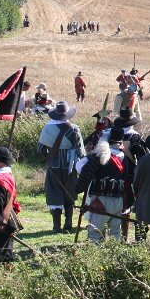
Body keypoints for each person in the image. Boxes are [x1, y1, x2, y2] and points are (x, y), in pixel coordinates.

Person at [38, 101, 86, 233]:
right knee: (70, 193)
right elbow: (81, 151)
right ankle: (68, 223)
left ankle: (56, 226)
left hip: (53, 166)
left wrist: (50, 158)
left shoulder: (47, 128)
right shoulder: (74, 129)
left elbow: (40, 149)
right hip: (70, 166)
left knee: (54, 193)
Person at [76, 135, 129, 242]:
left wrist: (78, 188)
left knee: (95, 232)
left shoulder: (95, 157)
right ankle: (115, 251)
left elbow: (79, 167)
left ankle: (95, 252)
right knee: (115, 233)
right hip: (118, 199)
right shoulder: (120, 158)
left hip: (100, 200)